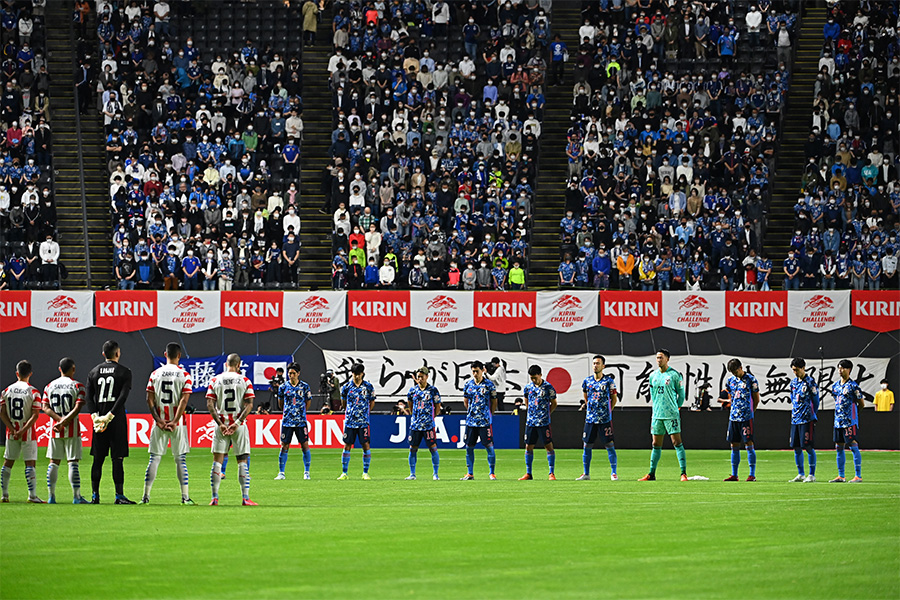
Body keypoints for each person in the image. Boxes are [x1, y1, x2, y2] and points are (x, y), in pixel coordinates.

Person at [142, 342, 193, 504]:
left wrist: (159, 420)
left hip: (159, 423)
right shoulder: (185, 375)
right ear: (179, 356)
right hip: (178, 424)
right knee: (180, 460)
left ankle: (145, 496)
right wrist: (174, 421)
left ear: (165, 355)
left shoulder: (155, 374)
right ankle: (185, 497)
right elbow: (184, 401)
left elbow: (149, 399)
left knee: (154, 459)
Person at [86, 340, 135, 504]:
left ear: (103, 354)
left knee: (97, 460)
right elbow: (123, 397)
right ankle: (119, 495)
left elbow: (89, 397)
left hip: (99, 421)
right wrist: (111, 415)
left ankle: (95, 495)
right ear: (117, 353)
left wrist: (95, 417)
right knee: (117, 458)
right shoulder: (124, 372)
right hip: (116, 420)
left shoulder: (93, 371)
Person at [206, 354, 256, 506]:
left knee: (217, 462)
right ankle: (245, 498)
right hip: (238, 425)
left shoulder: (215, 380)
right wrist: (238, 422)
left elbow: (210, 404)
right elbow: (249, 404)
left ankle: (214, 498)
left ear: (226, 364)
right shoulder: (244, 381)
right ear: (239, 364)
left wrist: (220, 423)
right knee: (242, 461)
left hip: (221, 424)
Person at [41, 357, 88, 504]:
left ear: (59, 369)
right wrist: (65, 421)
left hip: (55, 429)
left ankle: (51, 496)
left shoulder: (49, 386)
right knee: (72, 462)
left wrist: (58, 420)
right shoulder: (78, 386)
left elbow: (45, 407)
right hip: (72, 429)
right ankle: (76, 496)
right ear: (73, 369)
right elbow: (78, 406)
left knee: (54, 462)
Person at [639, 349, 687, 481]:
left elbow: (681, 394)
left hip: (671, 414)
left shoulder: (674, 375)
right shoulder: (653, 375)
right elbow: (653, 394)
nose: (658, 360)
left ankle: (683, 473)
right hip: (657, 415)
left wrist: (676, 407)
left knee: (676, 441)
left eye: (661, 357)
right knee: (655, 443)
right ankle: (651, 473)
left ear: (667, 359)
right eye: (657, 358)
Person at [0, 360, 44, 503]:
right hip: (28, 432)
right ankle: (32, 496)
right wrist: (23, 430)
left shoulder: (6, 391)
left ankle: (4, 495)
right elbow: (35, 415)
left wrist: (13, 429)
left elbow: (2, 413)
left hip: (11, 431)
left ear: (17, 373)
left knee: (8, 462)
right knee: (30, 463)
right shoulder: (34, 392)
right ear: (30, 373)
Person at [578, 355, 618, 481]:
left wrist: (608, 411)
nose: (595, 365)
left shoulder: (609, 382)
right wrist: (590, 408)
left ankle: (613, 473)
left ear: (603, 366)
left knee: (609, 445)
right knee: (587, 445)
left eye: (598, 363)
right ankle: (586, 473)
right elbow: (586, 396)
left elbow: (614, 399)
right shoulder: (587, 381)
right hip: (590, 419)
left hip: (604, 419)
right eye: (594, 363)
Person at [722, 359, 760, 482]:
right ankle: (734, 474)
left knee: (748, 443)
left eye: (735, 371)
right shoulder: (730, 381)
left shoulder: (751, 380)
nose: (734, 374)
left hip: (746, 417)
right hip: (733, 418)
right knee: (734, 444)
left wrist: (751, 412)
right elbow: (731, 396)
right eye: (732, 372)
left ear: (741, 367)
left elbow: (756, 398)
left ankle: (752, 474)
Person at [519, 365, 558, 481]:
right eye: (532, 378)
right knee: (528, 446)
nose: (534, 380)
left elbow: (554, 403)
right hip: (531, 422)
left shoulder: (548, 388)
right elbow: (526, 399)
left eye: (535, 378)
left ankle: (551, 473)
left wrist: (547, 413)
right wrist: (530, 412)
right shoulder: (528, 388)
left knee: (548, 445)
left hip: (544, 422)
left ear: (540, 375)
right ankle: (528, 473)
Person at [829, 359, 865, 483]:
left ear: (849, 370)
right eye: (839, 368)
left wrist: (853, 416)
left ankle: (858, 476)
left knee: (853, 446)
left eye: (843, 368)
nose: (840, 370)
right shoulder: (835, 386)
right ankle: (841, 475)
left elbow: (861, 403)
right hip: (838, 421)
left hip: (849, 422)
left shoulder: (853, 386)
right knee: (839, 447)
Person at [338, 363, 375, 480]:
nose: (356, 376)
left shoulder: (368, 387)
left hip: (363, 421)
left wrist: (365, 412)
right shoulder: (346, 387)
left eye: (358, 374)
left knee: (365, 444)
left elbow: (372, 401)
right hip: (350, 421)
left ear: (362, 374)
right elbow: (343, 402)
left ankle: (365, 472)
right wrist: (349, 412)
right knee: (347, 445)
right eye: (354, 374)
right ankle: (344, 473)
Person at [275, 362, 312, 481]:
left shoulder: (305, 386)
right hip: (287, 421)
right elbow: (280, 403)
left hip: (301, 421)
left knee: (304, 445)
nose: (291, 375)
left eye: (293, 373)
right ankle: (281, 472)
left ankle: (307, 472)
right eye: (289, 373)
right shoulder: (283, 387)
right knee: (284, 445)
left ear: (298, 373)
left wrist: (302, 412)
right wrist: (288, 412)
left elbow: (308, 401)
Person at [461, 361, 498, 480]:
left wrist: (489, 414)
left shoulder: (489, 385)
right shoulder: (468, 385)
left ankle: (492, 473)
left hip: (484, 421)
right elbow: (466, 401)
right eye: (473, 371)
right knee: (469, 446)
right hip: (471, 421)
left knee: (489, 446)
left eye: (477, 371)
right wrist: (471, 412)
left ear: (483, 370)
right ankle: (470, 473)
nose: (475, 373)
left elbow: (494, 401)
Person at [405, 367, 442, 481]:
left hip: (428, 425)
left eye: (422, 376)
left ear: (427, 376)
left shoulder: (433, 390)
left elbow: (437, 406)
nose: (420, 379)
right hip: (415, 425)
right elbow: (410, 404)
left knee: (433, 448)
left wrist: (431, 418)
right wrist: (414, 416)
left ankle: (435, 474)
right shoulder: (412, 390)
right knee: (412, 448)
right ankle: (412, 474)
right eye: (418, 377)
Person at [788, 357, 818, 483]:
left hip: (806, 419)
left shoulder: (810, 382)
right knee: (796, 447)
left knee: (808, 446)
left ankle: (811, 474)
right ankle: (800, 474)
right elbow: (792, 397)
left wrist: (813, 414)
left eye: (797, 370)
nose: (795, 372)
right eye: (793, 370)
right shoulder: (793, 383)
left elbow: (816, 400)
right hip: (795, 419)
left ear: (803, 368)